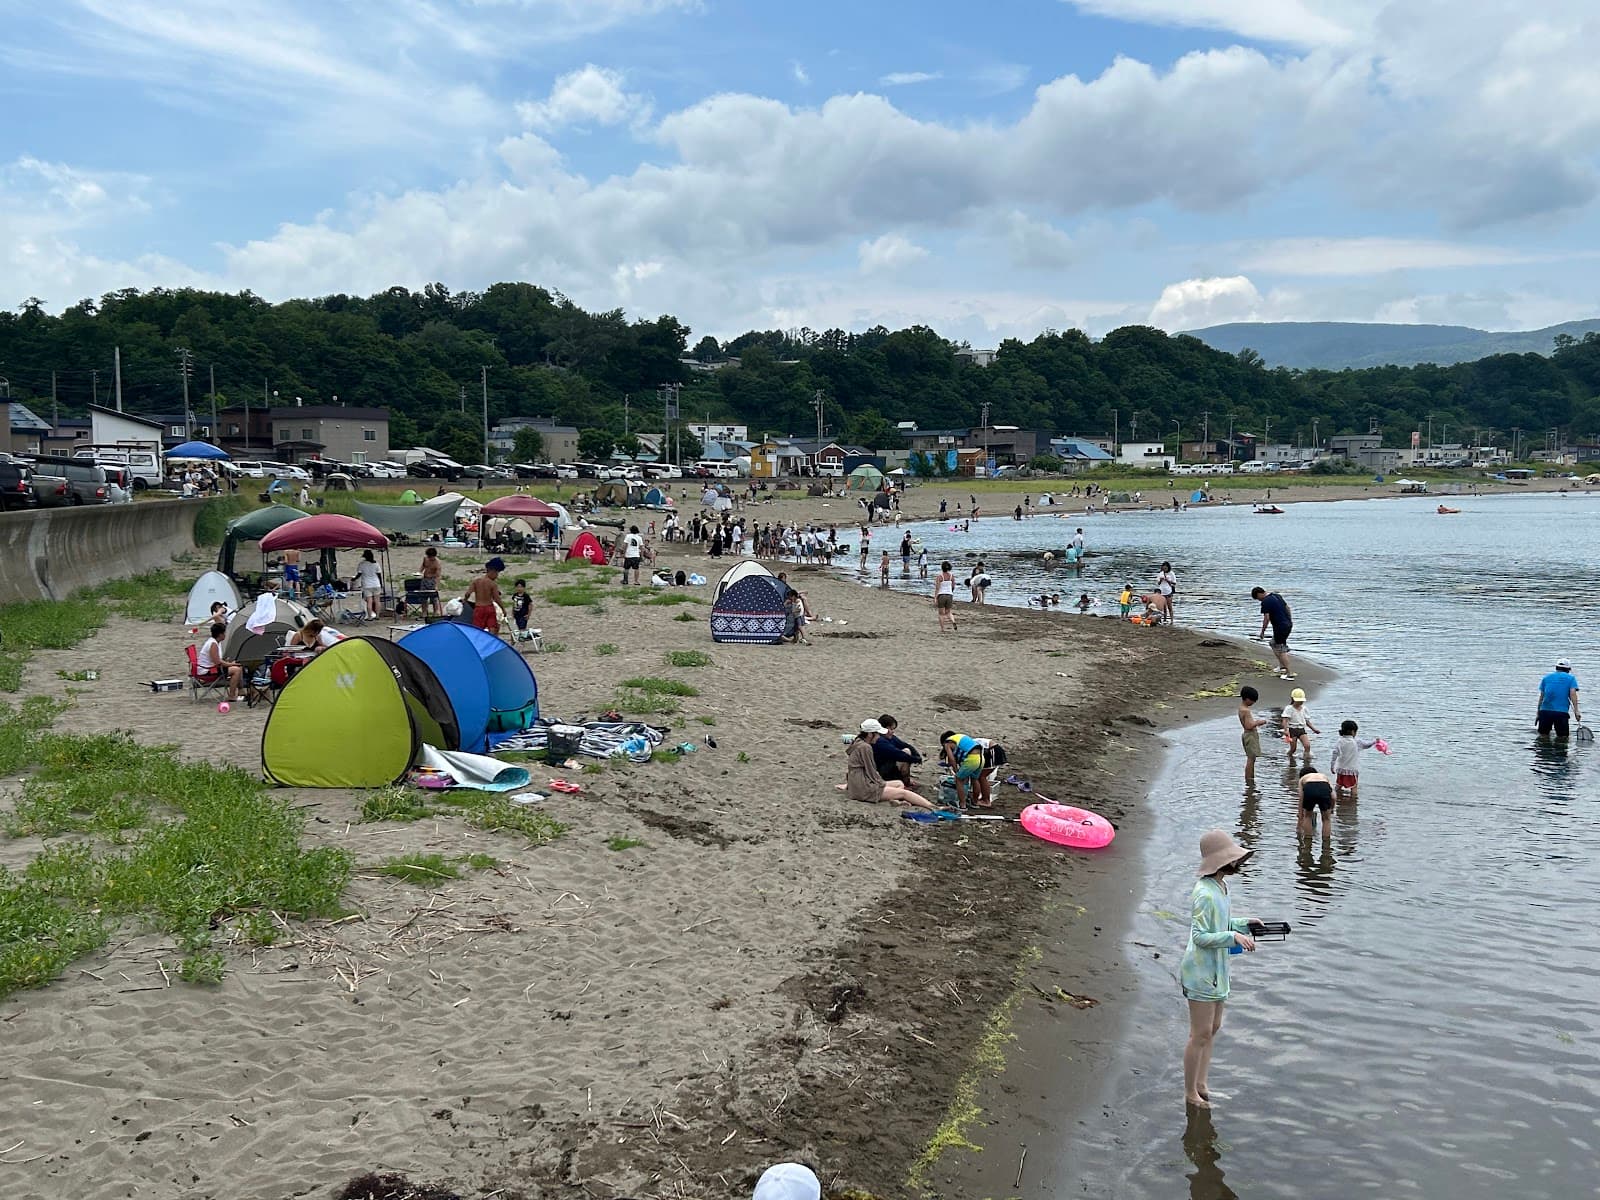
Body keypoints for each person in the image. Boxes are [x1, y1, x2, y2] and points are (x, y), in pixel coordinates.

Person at [1180, 830, 1256, 1109]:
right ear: (1222, 862)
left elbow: (1220, 924)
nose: (1239, 863)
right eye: (1235, 859)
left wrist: (1244, 925)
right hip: (1200, 973)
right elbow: (1200, 936)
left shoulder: (1221, 888)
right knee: (1199, 1033)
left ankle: (1202, 1084)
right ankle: (1190, 1091)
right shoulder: (1204, 893)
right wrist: (1232, 937)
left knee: (1212, 1028)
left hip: (1217, 970)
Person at [838, 719, 933, 808]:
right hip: (863, 789)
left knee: (899, 784)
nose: (879, 737)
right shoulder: (865, 748)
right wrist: (881, 784)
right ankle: (933, 806)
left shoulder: (858, 742)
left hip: (856, 784)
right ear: (870, 734)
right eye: (878, 734)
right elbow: (871, 772)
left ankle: (895, 801)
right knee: (904, 793)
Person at [197, 621, 246, 704]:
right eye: (224, 633)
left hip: (212, 668)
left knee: (238, 666)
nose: (225, 635)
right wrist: (231, 664)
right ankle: (232, 695)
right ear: (220, 634)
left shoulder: (215, 642)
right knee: (236, 670)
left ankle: (241, 691)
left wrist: (228, 662)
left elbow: (217, 660)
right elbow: (217, 662)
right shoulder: (213, 644)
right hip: (208, 671)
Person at [940, 730, 992, 808]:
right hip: (981, 758)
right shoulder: (959, 737)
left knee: (958, 779)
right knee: (975, 779)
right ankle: (975, 802)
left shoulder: (947, 743)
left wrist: (956, 770)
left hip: (972, 759)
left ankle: (962, 805)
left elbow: (952, 759)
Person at [1251, 587, 1295, 679]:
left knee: (1280, 648)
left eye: (1257, 598)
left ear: (1259, 594)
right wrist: (1289, 620)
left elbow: (1266, 618)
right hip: (1287, 625)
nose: (1259, 600)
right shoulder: (1277, 596)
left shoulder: (1265, 602)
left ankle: (1289, 673)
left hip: (1280, 627)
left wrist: (1262, 632)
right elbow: (1287, 608)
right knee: (1273, 643)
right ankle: (1281, 666)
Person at [1329, 719, 1378, 798]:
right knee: (1354, 787)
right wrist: (1375, 741)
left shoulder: (1339, 741)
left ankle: (1333, 797)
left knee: (1338, 785)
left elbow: (1334, 754)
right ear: (1353, 732)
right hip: (1352, 770)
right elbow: (1367, 745)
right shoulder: (1356, 741)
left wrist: (1332, 766)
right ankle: (1354, 802)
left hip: (1341, 769)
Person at [1536, 658, 1582, 739]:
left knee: (1543, 736)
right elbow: (1573, 694)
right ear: (1568, 669)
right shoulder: (1571, 678)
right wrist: (1576, 711)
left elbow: (1542, 697)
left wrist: (1538, 713)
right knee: (1563, 738)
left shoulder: (1546, 678)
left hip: (1545, 711)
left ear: (1556, 667)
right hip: (1561, 713)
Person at [871, 714, 923, 785]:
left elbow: (904, 745)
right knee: (905, 755)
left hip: (888, 766)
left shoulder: (890, 737)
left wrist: (916, 755)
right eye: (891, 729)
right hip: (880, 770)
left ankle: (904, 781)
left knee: (907, 750)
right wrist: (915, 759)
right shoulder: (880, 741)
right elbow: (897, 754)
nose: (893, 731)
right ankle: (906, 782)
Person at [1296, 765, 1335, 842]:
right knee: (1326, 820)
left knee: (1308, 816)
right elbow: (1334, 797)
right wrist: (1332, 808)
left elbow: (1301, 798)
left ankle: (1308, 840)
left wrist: (1300, 814)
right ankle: (1326, 842)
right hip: (1324, 788)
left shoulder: (1302, 779)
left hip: (1309, 788)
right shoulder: (1324, 777)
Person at [465, 557, 505, 634]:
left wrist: (465, 600)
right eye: (497, 573)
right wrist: (503, 608)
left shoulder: (476, 581)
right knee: (492, 628)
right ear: (492, 571)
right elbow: (497, 598)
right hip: (489, 608)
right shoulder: (492, 584)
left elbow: (468, 593)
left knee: (477, 630)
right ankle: (491, 643)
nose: (497, 576)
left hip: (479, 608)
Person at [1283, 687, 1319, 764]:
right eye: (1298, 701)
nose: (1300, 702)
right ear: (1293, 699)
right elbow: (1285, 720)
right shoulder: (1289, 708)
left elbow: (1307, 721)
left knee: (1307, 745)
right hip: (1292, 730)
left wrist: (1314, 729)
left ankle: (1306, 761)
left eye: (1301, 701)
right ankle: (1289, 756)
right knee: (1293, 749)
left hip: (1301, 729)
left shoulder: (1304, 709)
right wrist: (1286, 730)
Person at [1238, 686, 1265, 786]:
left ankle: (1250, 779)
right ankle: (1249, 780)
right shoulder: (1246, 711)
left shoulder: (1241, 708)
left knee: (1251, 758)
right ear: (1247, 699)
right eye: (1253, 701)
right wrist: (1258, 722)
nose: (1253, 703)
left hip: (1246, 735)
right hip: (1250, 735)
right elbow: (1248, 725)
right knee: (1251, 758)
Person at [934, 560, 958, 633]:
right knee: (948, 612)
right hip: (949, 595)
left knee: (941, 613)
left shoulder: (940, 576)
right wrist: (951, 592)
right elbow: (953, 586)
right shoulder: (951, 576)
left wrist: (935, 597)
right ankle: (953, 621)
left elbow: (937, 588)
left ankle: (942, 629)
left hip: (942, 595)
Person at [418, 546, 443, 616]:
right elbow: (423, 566)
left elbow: (438, 576)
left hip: (432, 580)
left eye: (431, 557)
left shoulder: (437, 563)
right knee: (423, 597)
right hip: (425, 579)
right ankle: (424, 612)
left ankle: (436, 612)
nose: (430, 558)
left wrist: (436, 586)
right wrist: (419, 572)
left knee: (434, 598)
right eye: (428, 557)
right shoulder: (425, 559)